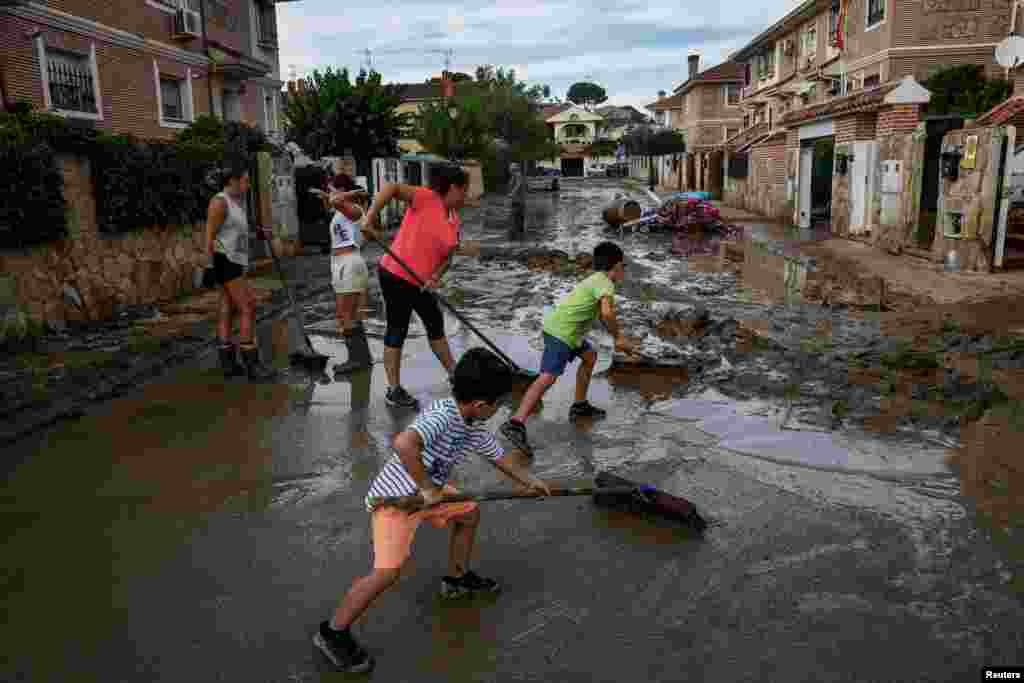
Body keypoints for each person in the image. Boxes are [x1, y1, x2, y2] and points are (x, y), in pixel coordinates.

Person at [313, 347, 552, 673]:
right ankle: (333, 632)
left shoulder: (473, 423)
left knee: (468, 514)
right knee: (386, 573)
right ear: (482, 404)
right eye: (498, 405)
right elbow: (403, 444)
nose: (497, 411)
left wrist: (530, 481)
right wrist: (426, 489)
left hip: (432, 492)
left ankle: (456, 579)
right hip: (396, 500)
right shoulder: (441, 415)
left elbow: (498, 456)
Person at [499, 241, 635, 457]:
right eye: (623, 267)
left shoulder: (596, 279)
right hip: (561, 334)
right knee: (548, 378)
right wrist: (618, 337)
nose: (623, 272)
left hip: (569, 332)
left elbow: (600, 314)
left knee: (590, 357)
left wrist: (617, 337)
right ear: (617, 266)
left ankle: (579, 405)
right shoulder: (606, 284)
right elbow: (607, 314)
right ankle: (516, 423)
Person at [361, 165, 476, 409]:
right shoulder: (426, 197)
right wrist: (370, 218)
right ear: (453, 188)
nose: (466, 196)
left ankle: (455, 375)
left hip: (422, 283)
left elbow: (448, 257)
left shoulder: (454, 219)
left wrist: (435, 278)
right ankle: (394, 390)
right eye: (464, 191)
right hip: (396, 274)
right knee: (397, 328)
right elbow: (390, 189)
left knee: (435, 323)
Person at [204, 165, 275, 382]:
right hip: (226, 261)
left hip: (233, 260)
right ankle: (251, 364)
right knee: (248, 306)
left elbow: (235, 231)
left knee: (228, 307)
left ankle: (229, 363)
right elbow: (209, 236)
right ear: (232, 181)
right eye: (244, 180)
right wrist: (209, 266)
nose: (248, 184)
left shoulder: (236, 203)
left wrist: (258, 232)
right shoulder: (219, 202)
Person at [325, 176, 373, 375]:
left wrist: (353, 193)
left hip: (349, 263)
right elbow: (334, 201)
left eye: (332, 189)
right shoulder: (344, 209)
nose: (330, 194)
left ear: (343, 190)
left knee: (346, 315)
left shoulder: (353, 209)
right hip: (342, 263)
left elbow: (335, 200)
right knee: (348, 314)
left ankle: (356, 360)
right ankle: (362, 357)